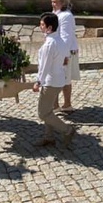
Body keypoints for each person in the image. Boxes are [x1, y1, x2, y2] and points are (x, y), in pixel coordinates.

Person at [33, 12, 77, 147]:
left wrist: (38, 82)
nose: (40, 27)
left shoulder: (50, 44)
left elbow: (45, 66)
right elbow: (65, 61)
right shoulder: (61, 41)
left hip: (50, 82)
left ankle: (67, 130)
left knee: (43, 113)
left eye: (42, 25)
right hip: (59, 80)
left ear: (49, 28)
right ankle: (49, 137)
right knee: (49, 111)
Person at [50, 0, 80, 113]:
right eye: (52, 1)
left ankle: (67, 104)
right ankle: (55, 105)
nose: (52, 4)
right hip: (56, 50)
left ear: (62, 3)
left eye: (55, 2)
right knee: (55, 77)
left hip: (65, 52)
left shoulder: (66, 16)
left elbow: (66, 37)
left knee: (64, 78)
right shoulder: (56, 13)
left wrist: (63, 55)